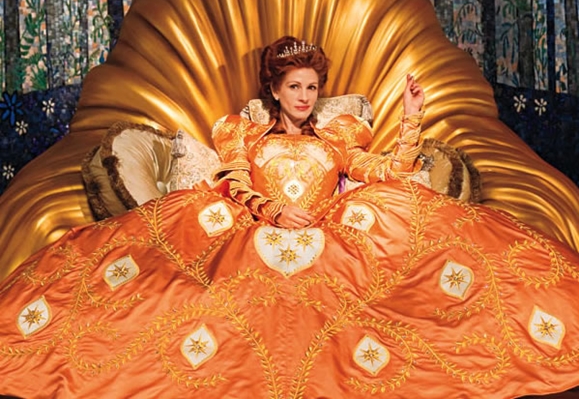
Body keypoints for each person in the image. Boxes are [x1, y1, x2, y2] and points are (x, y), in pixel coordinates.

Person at [1, 35, 579, 399]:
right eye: (295, 86)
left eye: (312, 87)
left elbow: (388, 171)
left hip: (329, 233)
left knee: (399, 225)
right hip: (258, 230)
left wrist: (410, 118)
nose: (305, 96)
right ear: (275, 91)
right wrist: (274, 210)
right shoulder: (245, 134)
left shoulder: (339, 136)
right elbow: (233, 181)